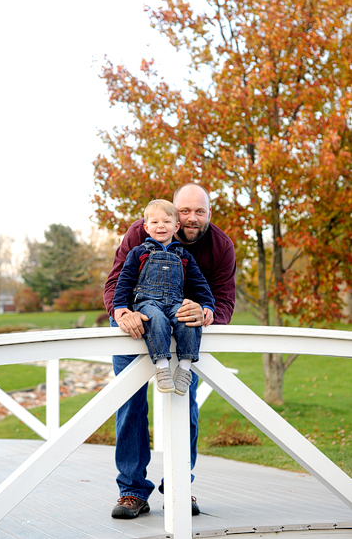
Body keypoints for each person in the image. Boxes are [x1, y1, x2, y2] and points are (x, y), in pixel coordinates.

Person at [103, 183, 236, 520]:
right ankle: (132, 491)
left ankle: (179, 485)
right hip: (136, 323)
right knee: (130, 403)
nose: (191, 218)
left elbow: (224, 299)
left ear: (209, 213)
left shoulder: (220, 246)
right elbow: (116, 281)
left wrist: (209, 313)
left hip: (184, 330)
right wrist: (120, 313)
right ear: (174, 214)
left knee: (184, 400)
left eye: (200, 211)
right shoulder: (142, 231)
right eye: (185, 211)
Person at [112, 199, 215, 396]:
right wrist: (119, 306)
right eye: (155, 222)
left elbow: (200, 283)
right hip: (147, 302)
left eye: (167, 222)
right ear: (146, 227)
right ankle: (162, 367)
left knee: (189, 320)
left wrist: (207, 305)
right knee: (156, 319)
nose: (161, 226)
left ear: (176, 226)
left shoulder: (184, 256)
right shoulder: (138, 252)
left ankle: (184, 369)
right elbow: (124, 281)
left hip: (175, 302)